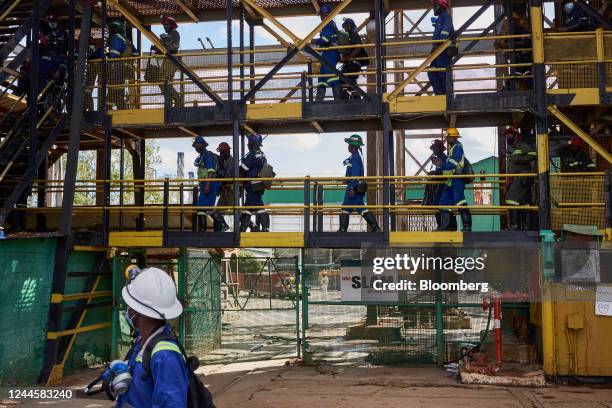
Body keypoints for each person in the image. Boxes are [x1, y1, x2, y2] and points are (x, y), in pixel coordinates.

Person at [117, 266, 190, 407]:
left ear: (139, 311)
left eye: (130, 304)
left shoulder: (165, 355)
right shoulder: (144, 342)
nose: (128, 309)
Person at [338, 134, 381, 232]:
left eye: (349, 144)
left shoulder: (355, 158)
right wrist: (346, 180)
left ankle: (343, 229)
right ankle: (375, 227)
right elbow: (353, 174)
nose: (348, 146)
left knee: (347, 208)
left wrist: (352, 188)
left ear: (353, 146)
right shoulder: (354, 157)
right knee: (359, 208)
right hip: (355, 186)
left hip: (354, 187)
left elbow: (356, 174)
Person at [438, 128, 471, 231]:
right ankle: (445, 227)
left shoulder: (457, 147)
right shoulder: (453, 148)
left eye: (449, 137)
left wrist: (441, 165)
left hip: (457, 179)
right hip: (451, 180)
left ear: (454, 137)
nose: (447, 139)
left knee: (460, 201)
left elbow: (452, 164)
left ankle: (467, 227)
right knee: (444, 202)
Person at [504, 127, 536, 230]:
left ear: (516, 136)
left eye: (510, 135)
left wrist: (520, 160)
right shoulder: (514, 149)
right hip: (520, 179)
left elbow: (533, 154)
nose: (508, 137)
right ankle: (526, 227)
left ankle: (514, 226)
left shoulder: (521, 145)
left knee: (510, 199)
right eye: (506, 136)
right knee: (524, 204)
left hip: (522, 178)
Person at [194, 136, 229, 232]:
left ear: (203, 145)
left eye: (198, 144)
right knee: (200, 209)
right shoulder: (202, 156)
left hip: (210, 184)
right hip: (204, 184)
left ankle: (223, 224)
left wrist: (208, 185)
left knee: (208, 207)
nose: (196, 147)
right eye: (195, 145)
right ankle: (202, 231)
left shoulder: (207, 155)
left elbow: (211, 171)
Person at [240, 134, 270, 232]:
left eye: (250, 142)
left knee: (256, 205)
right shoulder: (261, 154)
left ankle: (264, 227)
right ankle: (245, 228)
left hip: (252, 184)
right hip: (258, 184)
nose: (248, 144)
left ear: (254, 143)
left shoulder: (253, 154)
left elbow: (244, 168)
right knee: (249, 206)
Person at [313, 4, 342, 101]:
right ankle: (320, 100)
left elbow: (325, 39)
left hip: (330, 52)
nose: (321, 17)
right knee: (323, 75)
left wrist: (314, 41)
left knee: (330, 74)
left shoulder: (328, 24)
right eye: (321, 15)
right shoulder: (330, 24)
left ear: (326, 14)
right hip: (328, 52)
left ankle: (336, 100)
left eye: (322, 15)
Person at [155, 16, 183, 108]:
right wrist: (156, 47)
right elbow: (161, 50)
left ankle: (177, 100)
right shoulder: (168, 35)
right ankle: (169, 102)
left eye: (167, 25)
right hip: (167, 60)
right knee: (162, 82)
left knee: (164, 81)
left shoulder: (174, 33)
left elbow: (172, 48)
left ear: (171, 25)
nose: (165, 26)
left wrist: (165, 39)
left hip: (172, 60)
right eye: (164, 25)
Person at [428, 0, 454, 95]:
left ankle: (445, 95)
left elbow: (445, 34)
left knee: (442, 72)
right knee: (431, 71)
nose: (433, 8)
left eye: (435, 6)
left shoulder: (446, 17)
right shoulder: (441, 18)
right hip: (437, 50)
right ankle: (439, 93)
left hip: (443, 50)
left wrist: (438, 43)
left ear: (440, 5)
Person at [340, 18, 368, 99]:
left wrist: (349, 56)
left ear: (351, 26)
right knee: (345, 78)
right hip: (352, 62)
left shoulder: (354, 35)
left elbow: (358, 48)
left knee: (348, 78)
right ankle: (350, 94)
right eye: (344, 26)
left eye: (347, 25)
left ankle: (355, 95)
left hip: (354, 63)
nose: (345, 27)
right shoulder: (349, 37)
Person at [108, 20, 132, 110]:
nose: (111, 30)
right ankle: (122, 108)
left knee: (113, 89)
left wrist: (108, 55)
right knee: (121, 90)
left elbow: (114, 54)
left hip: (118, 67)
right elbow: (135, 53)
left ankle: (108, 110)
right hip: (127, 68)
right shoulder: (126, 39)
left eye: (112, 29)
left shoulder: (116, 38)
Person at [426, 139, 449, 230]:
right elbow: (440, 172)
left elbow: (445, 172)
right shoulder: (440, 158)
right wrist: (434, 173)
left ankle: (443, 226)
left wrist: (435, 173)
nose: (433, 151)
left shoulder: (443, 159)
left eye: (434, 149)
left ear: (438, 149)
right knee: (437, 205)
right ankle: (441, 226)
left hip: (444, 186)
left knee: (440, 205)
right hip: (440, 186)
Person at [82, 35, 104, 111]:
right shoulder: (85, 49)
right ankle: (85, 109)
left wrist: (89, 56)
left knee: (87, 92)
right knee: (84, 93)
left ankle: (90, 110)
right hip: (84, 72)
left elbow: (99, 54)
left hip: (91, 71)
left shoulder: (95, 49)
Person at [215, 142, 235, 221]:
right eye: (220, 152)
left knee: (236, 211)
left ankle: (249, 225)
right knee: (218, 211)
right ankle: (221, 227)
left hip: (231, 190)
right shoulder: (222, 161)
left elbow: (228, 176)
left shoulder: (232, 161)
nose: (221, 154)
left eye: (222, 152)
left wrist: (221, 174)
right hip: (224, 190)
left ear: (228, 151)